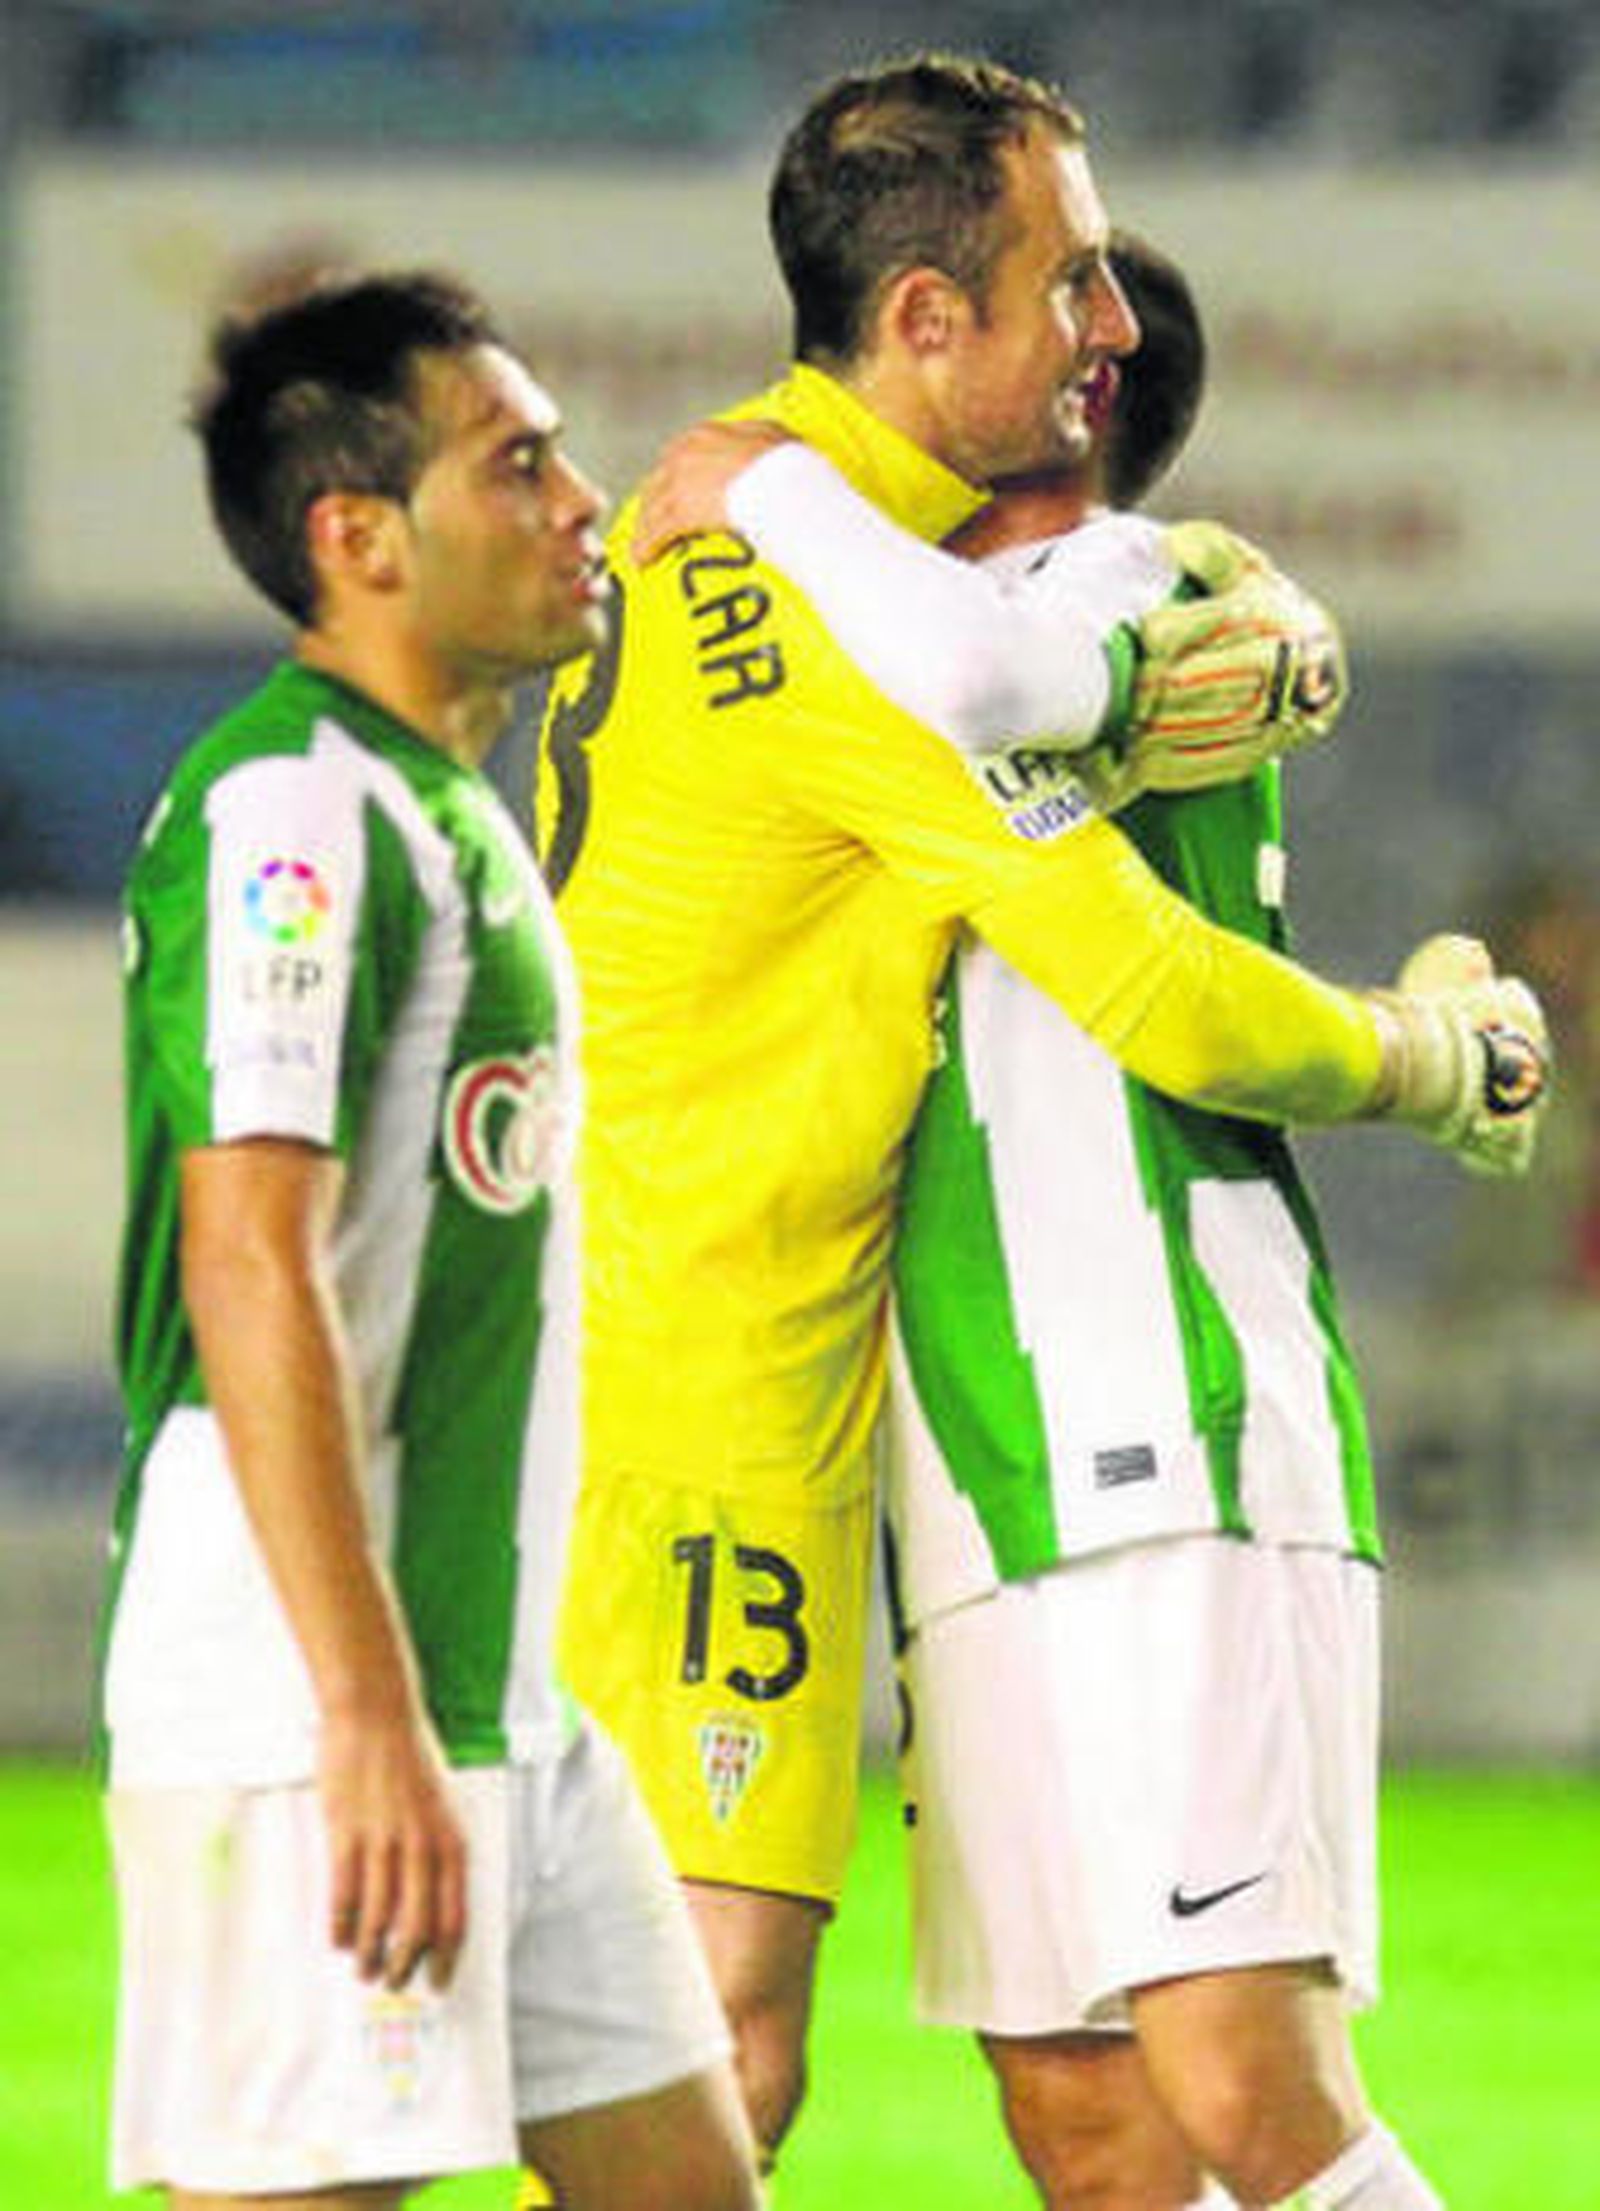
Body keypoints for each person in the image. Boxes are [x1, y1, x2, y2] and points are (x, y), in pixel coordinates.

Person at [535, 54, 1546, 2182]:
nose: (1096, 324)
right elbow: (1140, 965)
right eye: (1061, 277)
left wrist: (1216, 617)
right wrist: (1429, 1049)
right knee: (718, 2023)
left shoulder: (860, 547)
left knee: (1093, 2103)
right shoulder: (857, 598)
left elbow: (1062, 685)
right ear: (925, 323)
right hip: (713, 1357)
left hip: (985, 1413)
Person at [100, 267, 760, 2211]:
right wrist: (361, 1712)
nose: (582, 504)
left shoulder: (441, 812)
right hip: (312, 1711)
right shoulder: (294, 814)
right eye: (520, 461)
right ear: (356, 536)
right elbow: (248, 1260)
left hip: (504, 1704)